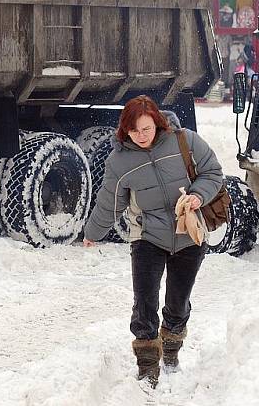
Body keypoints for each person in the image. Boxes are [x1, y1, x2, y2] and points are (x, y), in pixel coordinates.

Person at [83, 95, 223, 388]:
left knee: (177, 302)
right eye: (134, 131)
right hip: (147, 237)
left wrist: (198, 195)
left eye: (146, 129)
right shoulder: (120, 161)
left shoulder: (185, 140)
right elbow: (110, 201)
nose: (141, 136)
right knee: (145, 304)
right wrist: (93, 233)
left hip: (190, 235)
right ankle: (148, 368)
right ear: (125, 130)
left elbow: (213, 173)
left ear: (157, 123)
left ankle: (171, 352)